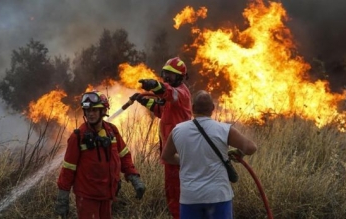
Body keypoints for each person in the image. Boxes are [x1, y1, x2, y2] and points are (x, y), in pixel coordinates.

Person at [161, 90, 257, 219]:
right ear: (212, 108)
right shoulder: (224, 129)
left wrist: (187, 160)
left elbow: (166, 157)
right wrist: (239, 152)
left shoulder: (178, 130)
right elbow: (251, 148)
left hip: (190, 198)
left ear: (193, 108)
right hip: (218, 196)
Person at [55, 90, 146, 219]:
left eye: (94, 110)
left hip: (107, 195)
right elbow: (68, 168)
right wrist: (62, 197)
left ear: (103, 111)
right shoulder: (78, 136)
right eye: (87, 110)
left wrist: (134, 178)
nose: (90, 114)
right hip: (87, 197)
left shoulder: (112, 131)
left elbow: (124, 156)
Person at [131, 57, 192, 219]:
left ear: (180, 77)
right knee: (172, 193)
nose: (166, 77)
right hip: (171, 153)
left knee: (177, 194)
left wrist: (155, 86)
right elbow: (163, 112)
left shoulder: (181, 93)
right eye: (165, 73)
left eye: (170, 75)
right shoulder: (171, 95)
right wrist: (145, 102)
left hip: (179, 154)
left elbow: (169, 93)